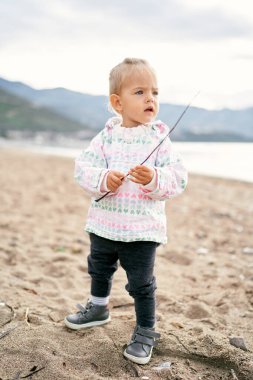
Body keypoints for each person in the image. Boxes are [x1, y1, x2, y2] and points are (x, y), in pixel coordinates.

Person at [64, 58, 188, 365]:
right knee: (99, 268)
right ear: (117, 102)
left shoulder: (159, 138)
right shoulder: (105, 136)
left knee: (141, 283)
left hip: (142, 229)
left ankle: (146, 329)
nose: (150, 98)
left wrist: (155, 179)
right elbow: (83, 170)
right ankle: (98, 307)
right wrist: (103, 178)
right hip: (104, 222)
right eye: (140, 92)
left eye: (155, 92)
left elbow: (179, 178)